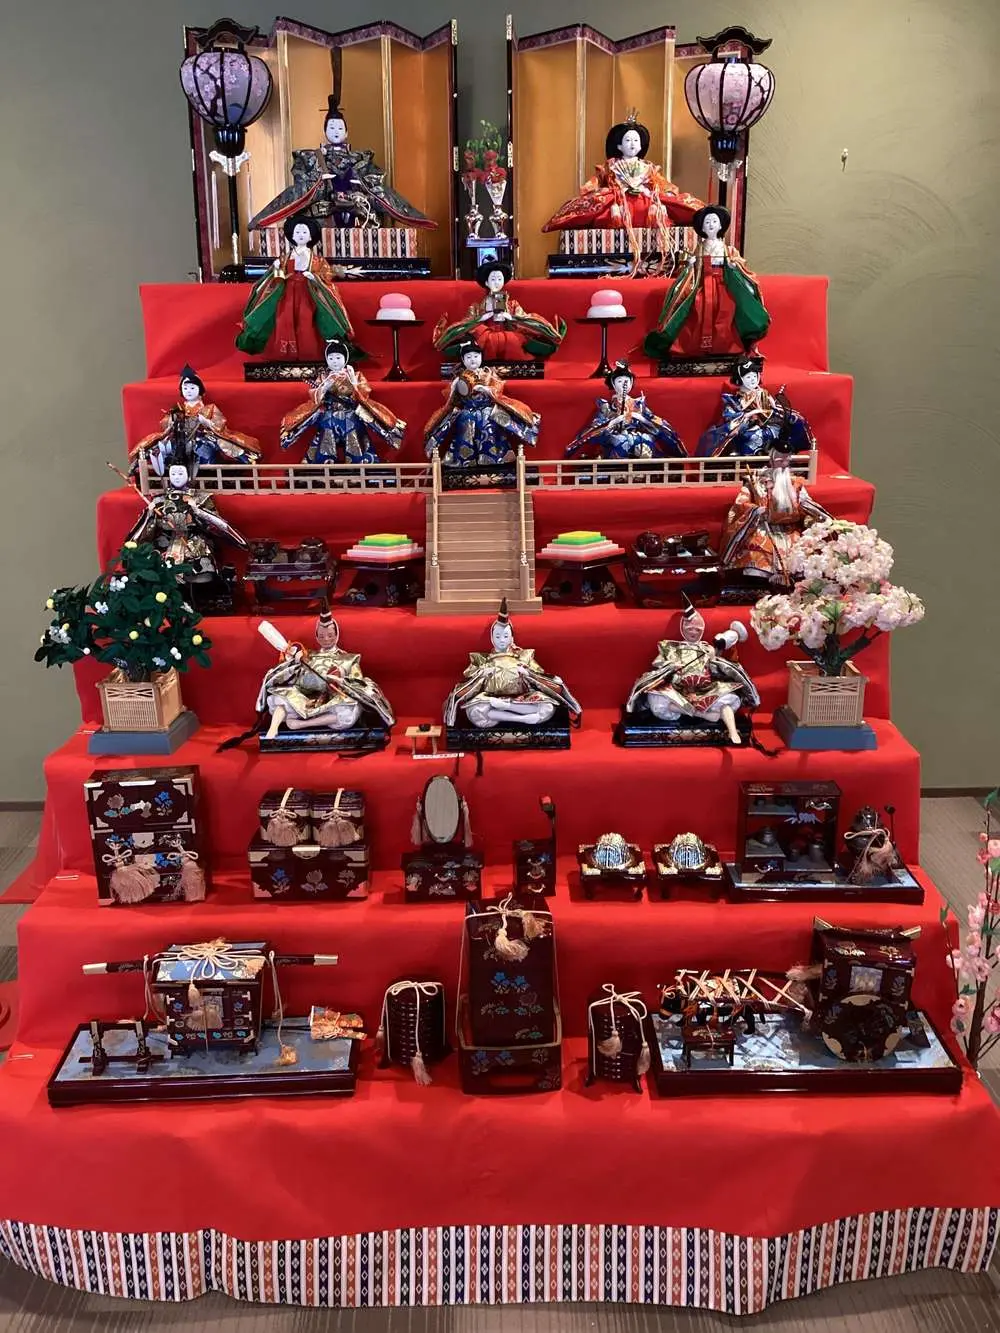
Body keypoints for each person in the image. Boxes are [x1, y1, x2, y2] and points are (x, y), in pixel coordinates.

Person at [542, 112, 703, 272]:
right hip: (618, 201)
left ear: (641, 146)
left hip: (645, 201)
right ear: (619, 146)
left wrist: (654, 191)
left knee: (665, 206)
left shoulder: (649, 168)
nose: (632, 144)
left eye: (636, 140)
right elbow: (593, 186)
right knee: (602, 205)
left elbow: (665, 186)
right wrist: (611, 190)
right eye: (627, 140)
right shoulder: (610, 167)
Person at [248, 97, 437, 232]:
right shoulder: (310, 156)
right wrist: (320, 178)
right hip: (323, 206)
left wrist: (359, 182)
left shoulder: (360, 157)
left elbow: (373, 179)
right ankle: (262, 220)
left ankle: (415, 218)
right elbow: (301, 180)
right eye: (331, 127)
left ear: (346, 132)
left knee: (382, 194)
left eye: (340, 128)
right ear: (324, 131)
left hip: (354, 202)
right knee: (297, 198)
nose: (336, 131)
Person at [643, 205, 770, 360]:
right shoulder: (699, 248)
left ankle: (726, 347)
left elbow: (739, 263)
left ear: (721, 226)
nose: (711, 225)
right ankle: (693, 347)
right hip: (702, 285)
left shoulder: (728, 249)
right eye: (707, 222)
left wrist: (732, 265)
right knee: (697, 309)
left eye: (714, 221)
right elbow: (690, 268)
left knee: (726, 310)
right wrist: (690, 264)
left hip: (723, 285)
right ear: (702, 227)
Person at [624, 601, 759, 745]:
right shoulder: (672, 647)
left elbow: (718, 669)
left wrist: (713, 658)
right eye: (690, 629)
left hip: (704, 690)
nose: (693, 632)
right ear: (683, 629)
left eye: (697, 629)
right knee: (655, 698)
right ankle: (702, 715)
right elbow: (657, 663)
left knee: (728, 699)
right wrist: (671, 665)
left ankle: (732, 731)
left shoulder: (706, 648)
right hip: (678, 690)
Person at [256, 604, 395, 738]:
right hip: (306, 698)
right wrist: (293, 661)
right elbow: (291, 677)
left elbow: (358, 682)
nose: (326, 639)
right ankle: (273, 729)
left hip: (333, 701)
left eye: (330, 635)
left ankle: (301, 724)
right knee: (280, 698)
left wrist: (340, 679)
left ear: (337, 635)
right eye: (321, 636)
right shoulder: (307, 655)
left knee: (350, 709)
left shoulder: (349, 658)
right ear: (316, 636)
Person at [236, 214, 357, 361]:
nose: (300, 235)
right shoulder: (284, 258)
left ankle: (308, 354)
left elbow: (326, 275)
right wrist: (276, 268)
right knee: (283, 320)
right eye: (297, 232)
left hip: (307, 293)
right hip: (286, 293)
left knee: (306, 320)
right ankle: (284, 355)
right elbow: (276, 276)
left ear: (310, 236)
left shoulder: (317, 260)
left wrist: (314, 277)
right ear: (292, 236)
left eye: (304, 232)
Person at [444, 600, 581, 729]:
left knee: (548, 708)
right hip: (491, 699)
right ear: (491, 638)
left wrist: (529, 674)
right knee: (474, 711)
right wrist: (481, 674)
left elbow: (546, 681)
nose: (502, 640)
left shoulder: (524, 657)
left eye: (506, 636)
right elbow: (462, 690)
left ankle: (512, 711)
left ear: (512, 637)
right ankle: (520, 717)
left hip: (522, 699)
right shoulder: (482, 660)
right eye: (497, 636)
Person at [720, 438, 830, 586]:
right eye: (780, 459)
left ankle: (792, 578)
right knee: (757, 553)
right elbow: (741, 503)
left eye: (787, 460)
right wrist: (755, 510)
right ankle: (761, 580)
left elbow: (806, 502)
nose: (783, 463)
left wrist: (814, 511)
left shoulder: (795, 483)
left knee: (802, 553)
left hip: (790, 530)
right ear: (771, 458)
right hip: (764, 529)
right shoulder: (756, 480)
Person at [279, 339, 405, 463]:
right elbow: (314, 397)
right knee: (327, 431)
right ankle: (324, 465)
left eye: (338, 358)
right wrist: (324, 387)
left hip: (350, 413)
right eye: (331, 358)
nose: (334, 361)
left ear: (346, 359)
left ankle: (358, 464)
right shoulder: (323, 376)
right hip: (329, 413)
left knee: (353, 433)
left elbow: (364, 394)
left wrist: (353, 382)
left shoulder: (355, 375)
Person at [125, 460, 248, 584]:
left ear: (189, 474)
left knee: (201, 566)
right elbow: (148, 527)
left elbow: (214, 525)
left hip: (193, 537)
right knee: (154, 561)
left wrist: (198, 510)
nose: (176, 477)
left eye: (180, 473)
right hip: (167, 538)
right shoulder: (159, 499)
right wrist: (150, 514)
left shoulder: (201, 497)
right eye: (173, 474)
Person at [129, 366, 260, 479]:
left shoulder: (209, 408)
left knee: (221, 445)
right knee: (159, 447)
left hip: (203, 437)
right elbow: (165, 425)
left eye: (192, 387)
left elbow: (220, 425)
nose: (189, 391)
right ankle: (139, 466)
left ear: (200, 390)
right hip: (181, 437)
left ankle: (247, 462)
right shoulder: (178, 408)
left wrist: (207, 422)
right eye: (185, 388)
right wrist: (171, 421)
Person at [424, 340, 540, 466]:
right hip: (468, 410)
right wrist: (455, 387)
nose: (472, 360)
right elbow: (452, 399)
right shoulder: (459, 378)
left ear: (481, 357)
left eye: (476, 356)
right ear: (463, 360)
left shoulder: (488, 374)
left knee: (489, 420)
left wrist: (486, 390)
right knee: (465, 420)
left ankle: (494, 458)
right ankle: (465, 460)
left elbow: (498, 391)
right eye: (468, 357)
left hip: (487, 409)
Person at [434, 261, 565, 362]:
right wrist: (481, 319)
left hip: (508, 335)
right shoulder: (476, 307)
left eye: (499, 279)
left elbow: (525, 319)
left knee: (513, 340)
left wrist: (511, 318)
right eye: (493, 279)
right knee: (481, 339)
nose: (496, 283)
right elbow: (466, 324)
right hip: (485, 337)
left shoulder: (512, 304)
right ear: (486, 282)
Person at [697, 358, 816, 458]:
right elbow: (731, 417)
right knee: (752, 437)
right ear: (740, 379)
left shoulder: (763, 393)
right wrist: (752, 414)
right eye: (748, 377)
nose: (753, 379)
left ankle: (784, 455)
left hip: (770, 423)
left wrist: (774, 410)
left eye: (755, 376)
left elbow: (774, 407)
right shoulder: (734, 400)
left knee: (795, 421)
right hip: (749, 427)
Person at [566, 361, 685, 460]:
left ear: (632, 383)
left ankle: (641, 473)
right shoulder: (607, 406)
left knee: (646, 440)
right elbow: (596, 428)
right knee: (621, 441)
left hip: (636, 435)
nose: (624, 384)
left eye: (627, 381)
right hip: (616, 436)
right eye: (619, 381)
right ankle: (619, 474)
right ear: (613, 384)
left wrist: (641, 418)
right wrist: (615, 421)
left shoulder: (639, 404)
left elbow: (654, 421)